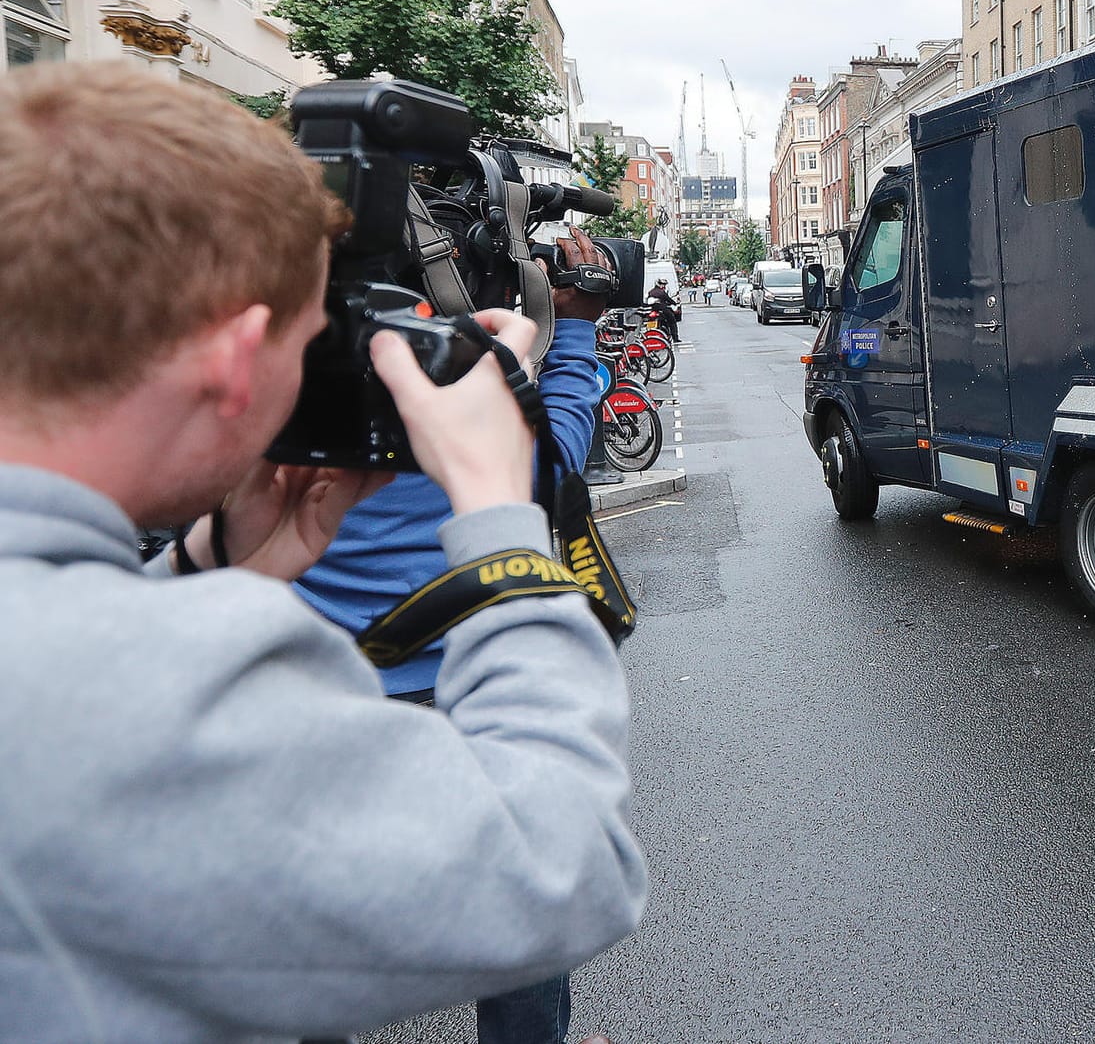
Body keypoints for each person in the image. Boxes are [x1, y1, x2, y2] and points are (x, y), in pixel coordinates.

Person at [0, 62, 644, 1043]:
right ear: (231, 365)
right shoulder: (127, 697)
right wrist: (499, 515)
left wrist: (208, 562)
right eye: (312, 346)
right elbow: (563, 870)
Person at [295, 227, 607, 1044]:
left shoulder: (290, 387)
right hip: (470, 689)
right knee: (524, 907)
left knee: (321, 924)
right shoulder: (470, 402)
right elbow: (561, 457)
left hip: (325, 693)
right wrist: (570, 323)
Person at [647, 277, 681, 342]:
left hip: (652, 310)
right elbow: (668, 299)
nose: (664, 286)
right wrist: (674, 303)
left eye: (664, 284)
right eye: (662, 284)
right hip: (663, 309)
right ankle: (675, 337)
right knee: (672, 321)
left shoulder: (651, 292)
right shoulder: (661, 292)